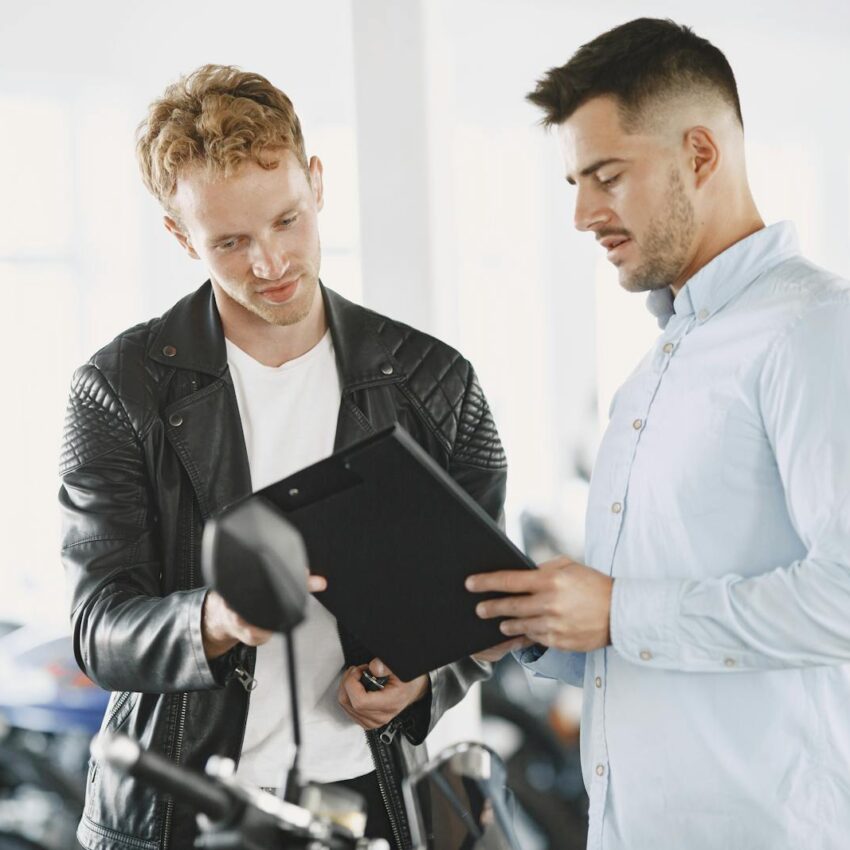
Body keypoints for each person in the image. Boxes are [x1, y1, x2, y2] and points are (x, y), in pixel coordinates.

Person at [59, 64, 506, 850]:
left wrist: (424, 679)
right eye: (229, 242)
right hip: (179, 814)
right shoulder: (117, 390)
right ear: (177, 234)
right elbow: (97, 629)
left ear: (318, 183)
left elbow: (486, 600)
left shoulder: (438, 382)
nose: (269, 264)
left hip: (366, 802)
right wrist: (216, 618)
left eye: (287, 221)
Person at [466, 17, 850, 850]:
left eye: (605, 176)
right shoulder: (650, 373)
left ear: (700, 156)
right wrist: (542, 624)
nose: (579, 214)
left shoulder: (815, 329)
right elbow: (641, 633)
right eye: (574, 181)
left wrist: (623, 611)